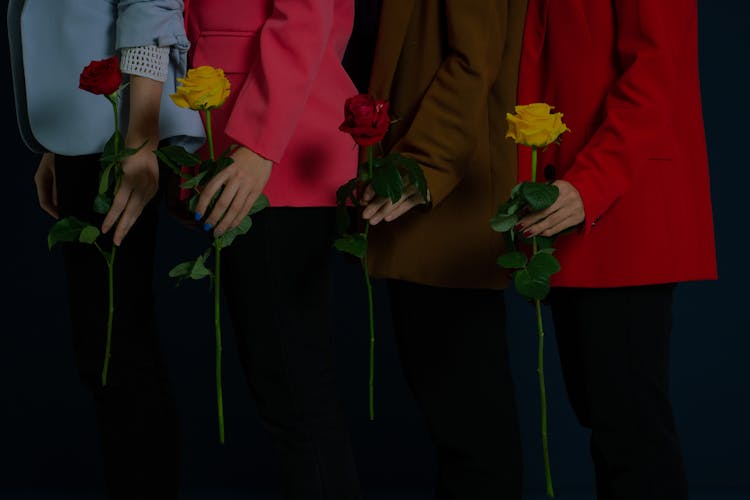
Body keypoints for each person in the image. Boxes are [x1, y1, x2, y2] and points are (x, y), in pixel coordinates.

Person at [514, 1, 717, 499]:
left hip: (622, 208)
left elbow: (654, 70)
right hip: (562, 203)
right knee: (605, 420)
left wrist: (591, 184)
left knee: (631, 431)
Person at [8, 1, 204, 498]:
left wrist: (139, 139)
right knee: (107, 344)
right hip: (94, 130)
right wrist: (61, 140)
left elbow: (149, 4)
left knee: (118, 346)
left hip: (119, 136)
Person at [181, 1, 362, 498]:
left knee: (294, 388)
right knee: (284, 382)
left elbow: (307, 17)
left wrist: (260, 144)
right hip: (250, 145)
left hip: (269, 155)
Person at [349, 1, 529, 497]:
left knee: (471, 431)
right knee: (455, 420)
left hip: (437, 192)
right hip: (409, 191)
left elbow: (476, 58)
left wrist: (422, 162)